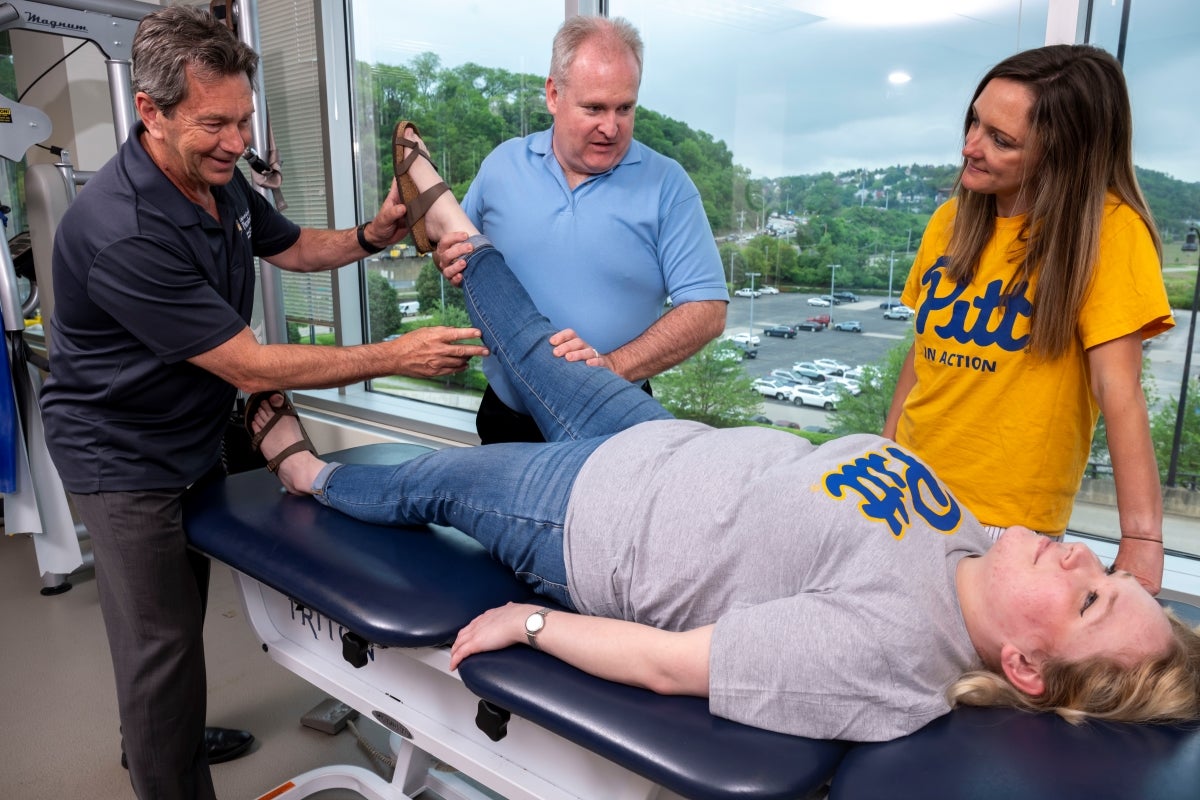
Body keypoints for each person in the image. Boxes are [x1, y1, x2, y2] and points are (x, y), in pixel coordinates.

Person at [249, 126, 1200, 743]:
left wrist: (531, 624)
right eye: (1108, 573)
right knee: (536, 346)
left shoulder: (893, 654)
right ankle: (456, 231)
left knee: (440, 481)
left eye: (1088, 603)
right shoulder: (983, 548)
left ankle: (306, 477)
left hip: (593, 526)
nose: (1085, 559)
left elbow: (674, 667)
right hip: (662, 439)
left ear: (1027, 669)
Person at [37, 8, 487, 800]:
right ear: (151, 110)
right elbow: (246, 362)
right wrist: (397, 354)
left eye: (243, 120)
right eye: (216, 124)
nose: (237, 141)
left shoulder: (216, 174)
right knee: (160, 644)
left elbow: (291, 245)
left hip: (189, 424)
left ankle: (164, 729)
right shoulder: (122, 229)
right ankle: (163, 763)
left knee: (174, 632)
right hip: (122, 456)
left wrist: (376, 232)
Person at [883, 45, 1173, 595]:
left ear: (1062, 154)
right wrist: (884, 451)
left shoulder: (1111, 232)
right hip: (904, 490)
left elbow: (1118, 388)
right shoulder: (950, 221)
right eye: (974, 121)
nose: (970, 146)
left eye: (1001, 139)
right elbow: (922, 357)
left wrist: (1141, 540)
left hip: (1006, 524)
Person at [434, 15, 729, 445]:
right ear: (554, 94)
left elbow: (707, 309)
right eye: (594, 108)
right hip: (506, 418)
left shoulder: (668, 185)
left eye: (625, 108)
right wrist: (446, 253)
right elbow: (457, 240)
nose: (611, 128)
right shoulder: (501, 165)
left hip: (611, 420)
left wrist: (612, 366)